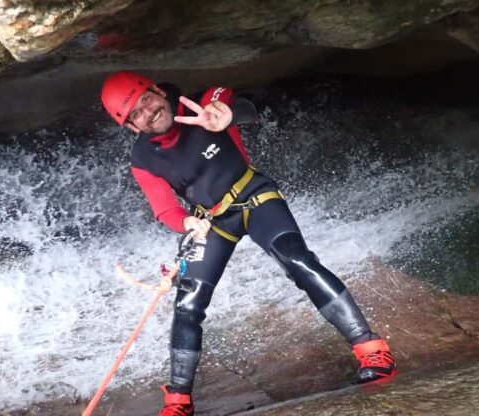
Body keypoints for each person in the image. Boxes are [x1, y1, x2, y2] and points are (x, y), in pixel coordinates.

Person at [100, 71, 396, 416]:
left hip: (253, 196)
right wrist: (187, 223)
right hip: (210, 220)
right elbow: (164, 208)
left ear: (156, 90)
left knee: (296, 260)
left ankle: (371, 349)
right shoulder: (143, 160)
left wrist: (224, 115)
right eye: (135, 113)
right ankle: (178, 400)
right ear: (132, 128)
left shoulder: (203, 103)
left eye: (146, 100)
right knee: (188, 304)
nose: (147, 112)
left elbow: (237, 104)